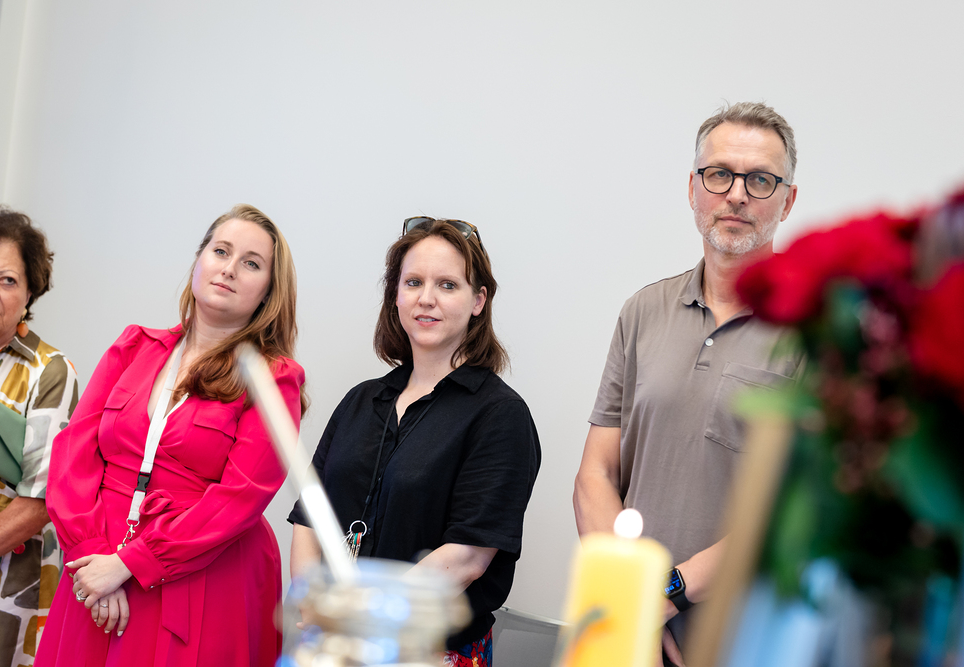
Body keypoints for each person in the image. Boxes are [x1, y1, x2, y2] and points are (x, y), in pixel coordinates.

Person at [572, 102, 806, 664]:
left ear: (788, 200)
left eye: (761, 180)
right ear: (693, 188)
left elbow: (793, 512)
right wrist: (629, 597)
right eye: (719, 174)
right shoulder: (643, 311)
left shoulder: (810, 334)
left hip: (742, 640)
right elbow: (595, 475)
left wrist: (667, 593)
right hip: (625, 635)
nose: (737, 195)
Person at [36, 205, 307, 667]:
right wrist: (93, 559)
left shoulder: (274, 377)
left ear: (268, 292)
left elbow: (242, 497)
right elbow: (72, 454)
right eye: (220, 251)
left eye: (251, 263)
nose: (229, 268)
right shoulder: (133, 346)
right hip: (95, 563)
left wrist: (130, 564)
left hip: (198, 571)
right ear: (199, 260)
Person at [289, 217, 541, 666]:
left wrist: (366, 615)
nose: (427, 298)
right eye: (413, 282)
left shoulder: (500, 415)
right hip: (332, 642)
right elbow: (310, 517)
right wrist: (313, 604)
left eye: (447, 285)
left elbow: (467, 558)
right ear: (396, 296)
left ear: (478, 301)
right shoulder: (360, 401)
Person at [0, 208, 79, 667]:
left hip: (1, 588)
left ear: (30, 292)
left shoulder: (49, 371)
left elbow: (41, 499)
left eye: (8, 280)